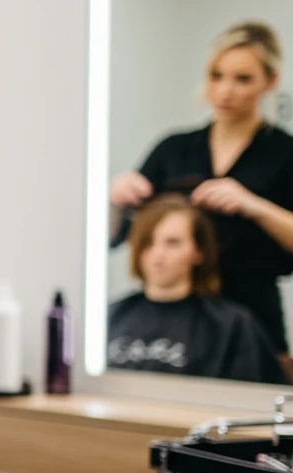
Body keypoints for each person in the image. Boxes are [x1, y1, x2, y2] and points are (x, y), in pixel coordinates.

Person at [110, 21, 293, 355]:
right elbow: (116, 236)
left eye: (243, 79)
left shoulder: (285, 155)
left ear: (271, 81)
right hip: (171, 321)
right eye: (216, 75)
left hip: (253, 321)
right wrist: (114, 201)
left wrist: (254, 206)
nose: (224, 91)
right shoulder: (174, 150)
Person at [109, 195, 286, 384]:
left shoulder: (230, 325)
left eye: (172, 243)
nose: (157, 255)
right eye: (148, 243)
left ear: (198, 252)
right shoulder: (108, 316)